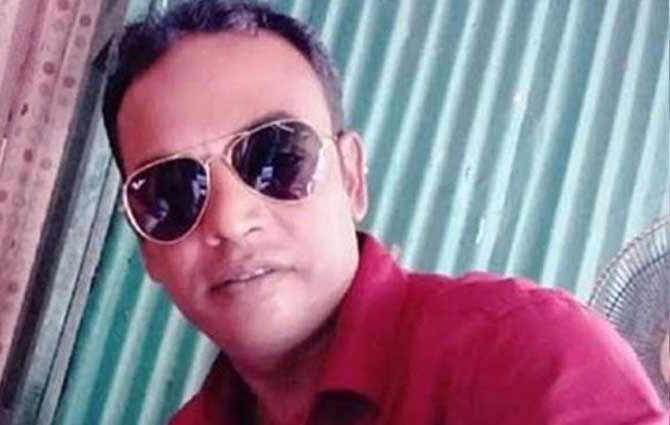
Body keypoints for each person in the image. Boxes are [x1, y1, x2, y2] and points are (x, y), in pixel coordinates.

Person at [101, 1, 668, 424]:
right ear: (148, 249)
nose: (230, 220)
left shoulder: (526, 359)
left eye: (275, 157)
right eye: (170, 192)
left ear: (351, 177)